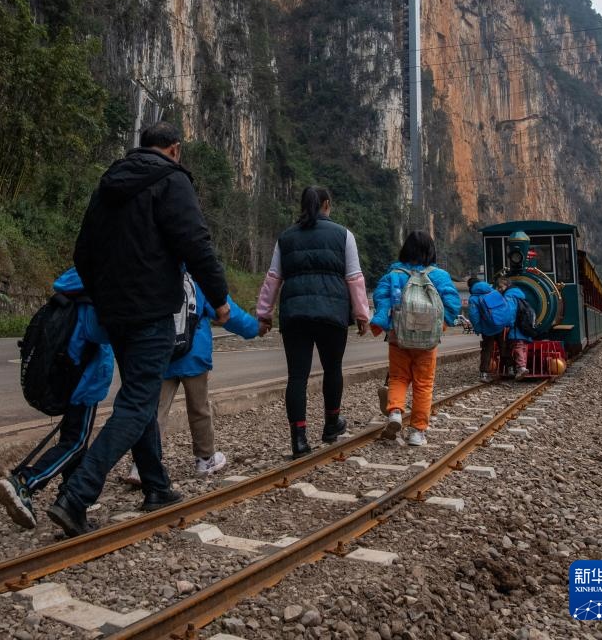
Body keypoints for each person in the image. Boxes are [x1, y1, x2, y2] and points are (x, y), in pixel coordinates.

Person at [46, 121, 230, 537]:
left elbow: (83, 253)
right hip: (151, 312)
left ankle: (157, 486)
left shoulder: (109, 183)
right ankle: (76, 497)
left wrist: (104, 295)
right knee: (135, 405)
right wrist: (218, 298)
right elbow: (196, 243)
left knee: (139, 395)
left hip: (115, 314)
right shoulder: (172, 180)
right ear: (175, 150)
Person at [0, 268, 113, 528]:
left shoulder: (73, 288)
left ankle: (71, 504)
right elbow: (105, 332)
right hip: (85, 384)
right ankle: (25, 482)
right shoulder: (93, 298)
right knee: (76, 443)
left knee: (73, 441)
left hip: (67, 379)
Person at [256, 186, 370, 458]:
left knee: (297, 376)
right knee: (333, 369)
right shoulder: (344, 235)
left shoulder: (286, 237)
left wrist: (264, 313)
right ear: (326, 205)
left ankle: (299, 439)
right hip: (332, 313)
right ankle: (331, 425)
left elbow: (274, 277)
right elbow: (354, 277)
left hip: (295, 314)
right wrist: (362, 314)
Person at [125, 276, 259, 483]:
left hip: (162, 355)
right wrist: (255, 328)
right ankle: (205, 459)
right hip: (194, 356)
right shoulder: (198, 278)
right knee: (199, 409)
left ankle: (142, 465)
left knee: (155, 410)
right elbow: (229, 312)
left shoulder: (155, 272)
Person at [371, 231, 461, 446]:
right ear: (431, 251)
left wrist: (383, 320)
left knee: (398, 377)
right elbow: (452, 303)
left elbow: (381, 297)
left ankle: (394, 412)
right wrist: (442, 325)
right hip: (428, 341)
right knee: (423, 384)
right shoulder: (439, 276)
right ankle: (417, 432)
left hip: (398, 338)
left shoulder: (395, 274)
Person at [467, 276, 512, 382]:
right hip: (500, 325)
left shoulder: (474, 298)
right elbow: (504, 306)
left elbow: (474, 315)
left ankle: (484, 374)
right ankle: (510, 369)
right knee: (504, 346)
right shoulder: (492, 290)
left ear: (470, 287)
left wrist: (478, 329)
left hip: (487, 328)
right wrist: (506, 321)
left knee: (487, 350)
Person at [494, 272, 530, 380]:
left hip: (515, 326)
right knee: (522, 347)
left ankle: (521, 368)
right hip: (523, 325)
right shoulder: (518, 294)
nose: (499, 289)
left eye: (500, 287)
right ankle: (520, 367)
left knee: (517, 346)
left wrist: (508, 324)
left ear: (507, 286)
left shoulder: (509, 295)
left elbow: (510, 311)